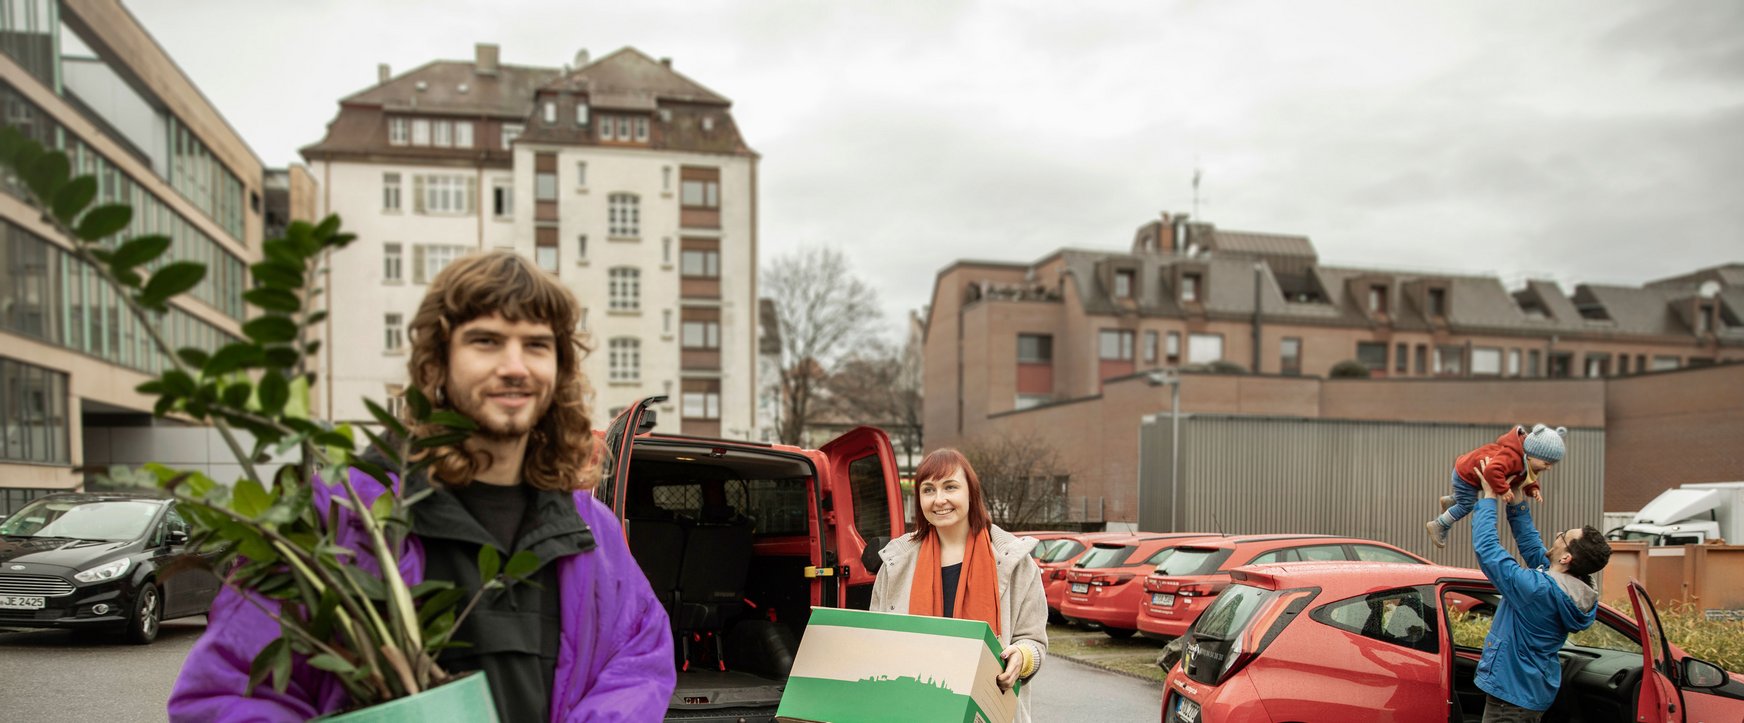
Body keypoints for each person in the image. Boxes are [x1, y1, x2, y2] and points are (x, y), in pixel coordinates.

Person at [169, 251, 675, 721]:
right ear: (436, 363)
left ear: (559, 368)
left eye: (537, 345)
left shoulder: (592, 531)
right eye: (487, 340)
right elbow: (225, 695)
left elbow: (640, 658)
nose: (516, 366)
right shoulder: (339, 521)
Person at [869, 449, 1048, 723]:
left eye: (950, 487)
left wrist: (1022, 657)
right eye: (928, 490)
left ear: (970, 493)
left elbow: (1034, 641)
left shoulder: (1016, 563)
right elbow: (875, 641)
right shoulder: (895, 565)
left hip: (988, 710)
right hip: (911, 710)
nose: (939, 500)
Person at [1471, 480, 1613, 721]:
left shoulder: (1538, 590)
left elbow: (1488, 551)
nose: (1558, 535)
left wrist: (1487, 498)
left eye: (1563, 536)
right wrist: (1516, 501)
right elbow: (1531, 544)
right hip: (1528, 693)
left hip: (1511, 700)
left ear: (1566, 557)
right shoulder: (1571, 587)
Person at [1426, 424, 1566, 548]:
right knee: (1467, 505)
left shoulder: (1525, 459)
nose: (1548, 468)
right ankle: (1439, 524)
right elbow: (1492, 470)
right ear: (1532, 455)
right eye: (1547, 463)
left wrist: (1532, 489)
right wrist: (1503, 490)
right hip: (1466, 474)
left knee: (1466, 499)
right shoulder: (1512, 458)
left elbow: (1524, 477)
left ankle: (1451, 501)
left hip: (1468, 471)